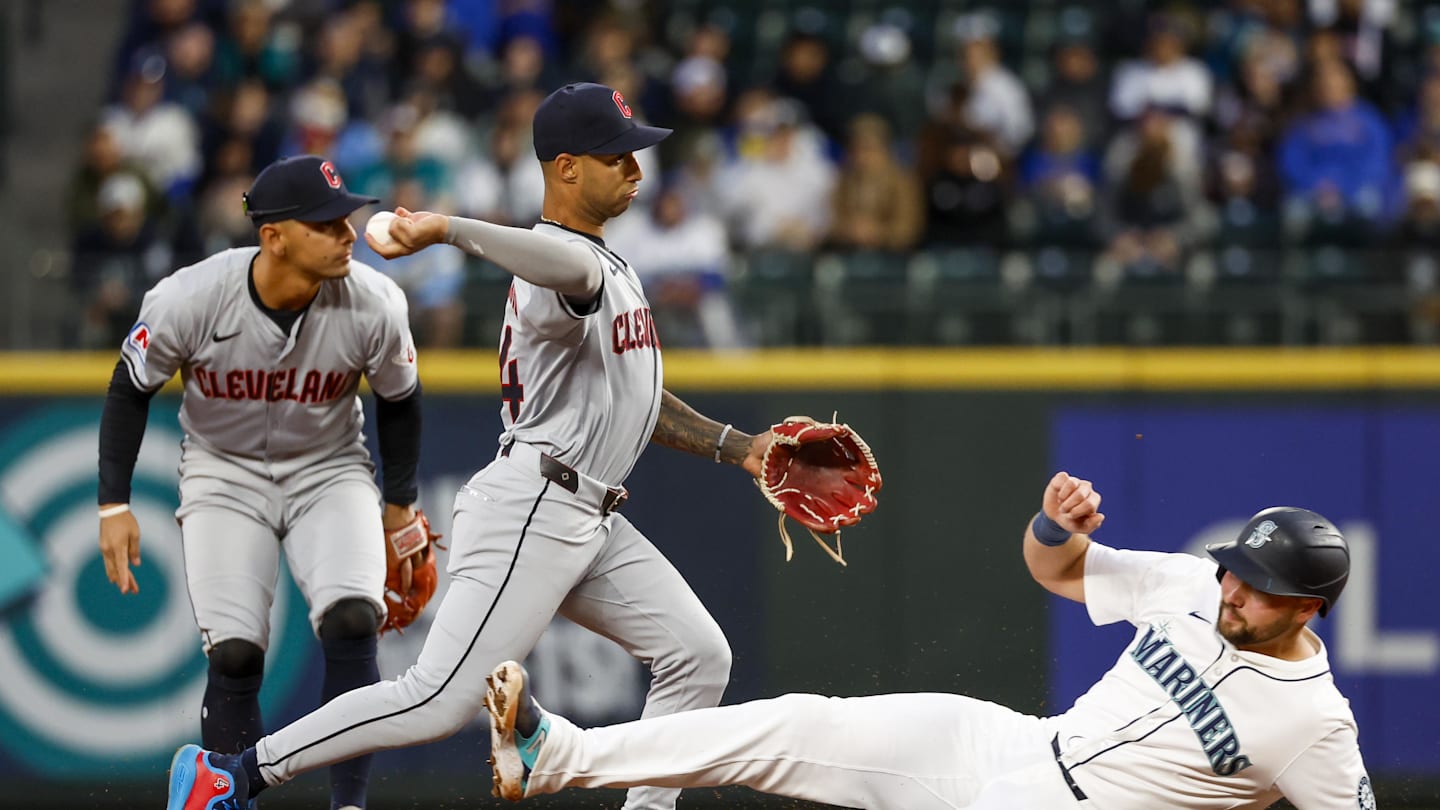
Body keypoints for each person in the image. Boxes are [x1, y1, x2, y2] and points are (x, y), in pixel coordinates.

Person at [164, 82, 785, 810]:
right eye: (618, 156)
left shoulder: (604, 263)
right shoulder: (558, 262)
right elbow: (565, 268)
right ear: (567, 168)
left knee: (698, 655)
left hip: (588, 514)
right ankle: (234, 774)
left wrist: (738, 446)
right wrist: (449, 228)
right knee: (434, 700)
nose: (637, 171)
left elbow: (636, 395)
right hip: (536, 503)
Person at [483, 470, 1372, 809]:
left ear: (1309, 609)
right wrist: (1053, 526)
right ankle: (555, 752)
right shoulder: (1192, 584)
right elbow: (1055, 572)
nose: (1235, 591)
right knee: (797, 726)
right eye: (1235, 571)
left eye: (1260, 590)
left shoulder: (1317, 725)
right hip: (1021, 745)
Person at [101, 154, 426, 810]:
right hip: (223, 473)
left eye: (348, 220)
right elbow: (130, 386)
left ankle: (350, 806)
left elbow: (400, 399)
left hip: (329, 468)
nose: (349, 234)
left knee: (353, 618)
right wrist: (113, 504)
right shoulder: (189, 297)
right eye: (328, 224)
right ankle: (227, 798)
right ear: (273, 236)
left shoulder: (375, 302)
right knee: (237, 655)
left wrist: (400, 507)